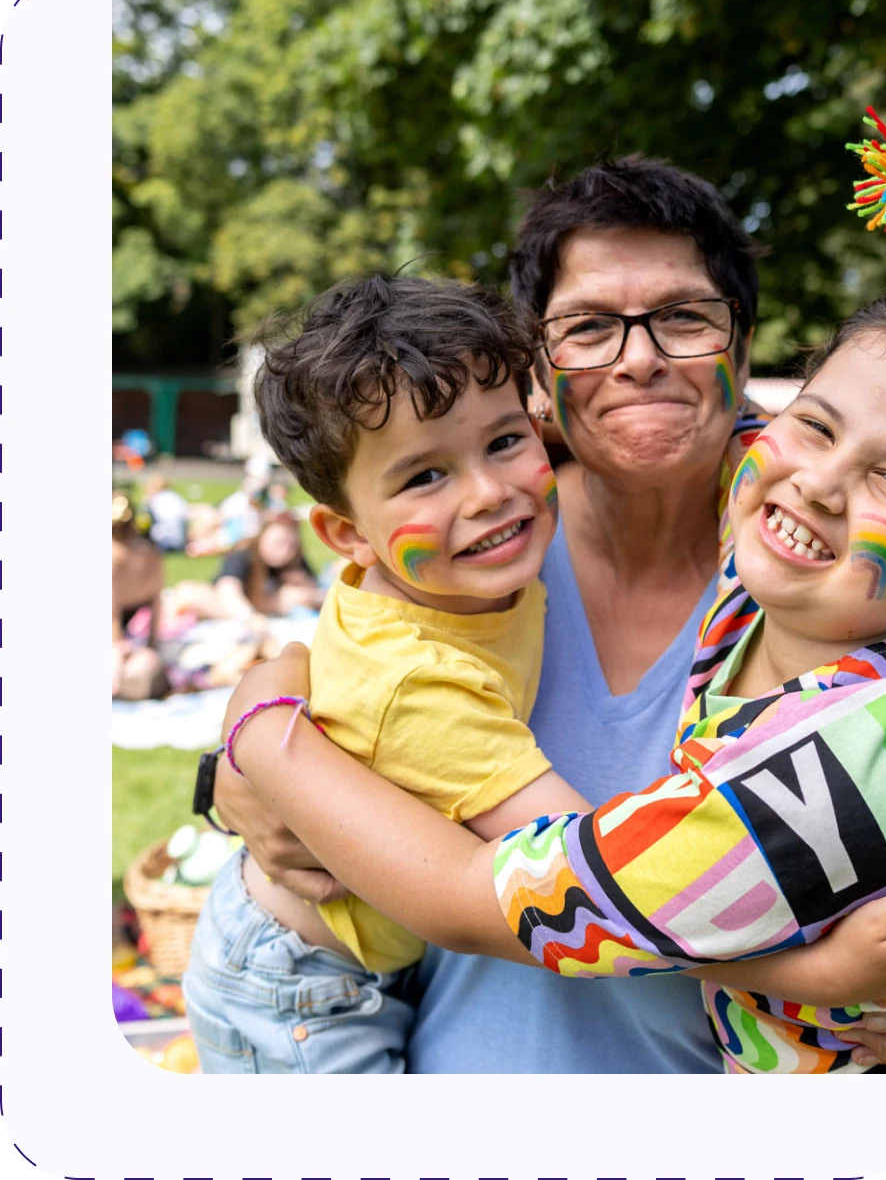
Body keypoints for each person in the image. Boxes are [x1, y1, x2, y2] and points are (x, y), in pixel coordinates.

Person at [213, 156, 886, 1073]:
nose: (640, 360)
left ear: (742, 346)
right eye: (588, 327)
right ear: (535, 369)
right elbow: (354, 678)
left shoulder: (810, 561)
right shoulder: (476, 552)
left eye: (683, 318)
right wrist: (246, 738)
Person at [182, 276, 590, 1072]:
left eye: (505, 442)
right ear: (346, 534)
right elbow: (592, 871)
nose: (489, 494)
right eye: (423, 477)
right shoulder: (416, 686)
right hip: (296, 986)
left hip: (366, 955)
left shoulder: (461, 557)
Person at [168, 512, 325, 630]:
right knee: (190, 592)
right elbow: (228, 589)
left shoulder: (294, 561)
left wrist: (304, 586)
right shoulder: (244, 553)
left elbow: (316, 593)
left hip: (262, 607)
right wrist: (251, 617)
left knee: (295, 596)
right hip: (233, 606)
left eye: (290, 546)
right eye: (278, 543)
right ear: (262, 536)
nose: (283, 551)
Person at [111, 491, 169, 700]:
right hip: (137, 629)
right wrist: (153, 644)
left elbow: (112, 617)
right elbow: (156, 602)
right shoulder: (152, 553)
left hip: (122, 633)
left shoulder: (113, 555)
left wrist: (119, 649)